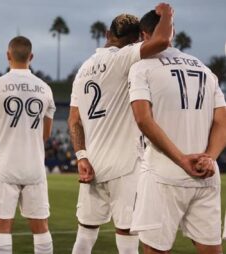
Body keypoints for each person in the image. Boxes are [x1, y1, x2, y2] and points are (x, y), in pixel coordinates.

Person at [67, 4, 174, 253]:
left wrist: (81, 155)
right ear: (136, 39)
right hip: (125, 165)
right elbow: (162, 40)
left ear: (107, 34)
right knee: (126, 235)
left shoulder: (83, 70)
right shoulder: (125, 57)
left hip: (92, 163)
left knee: (85, 233)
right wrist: (167, 13)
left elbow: (74, 120)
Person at [128, 10, 226, 254]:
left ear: (143, 34)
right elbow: (222, 122)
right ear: (172, 31)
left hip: (164, 174)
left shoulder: (142, 67)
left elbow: (143, 120)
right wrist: (209, 157)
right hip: (207, 174)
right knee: (212, 249)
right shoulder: (205, 69)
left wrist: (182, 160)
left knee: (155, 249)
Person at [0, 36, 56, 254]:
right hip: (34, 165)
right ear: (31, 57)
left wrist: (5, 146)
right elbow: (46, 133)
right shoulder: (45, 89)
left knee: (2, 228)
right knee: (41, 228)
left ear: (7, 56)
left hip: (4, 165)